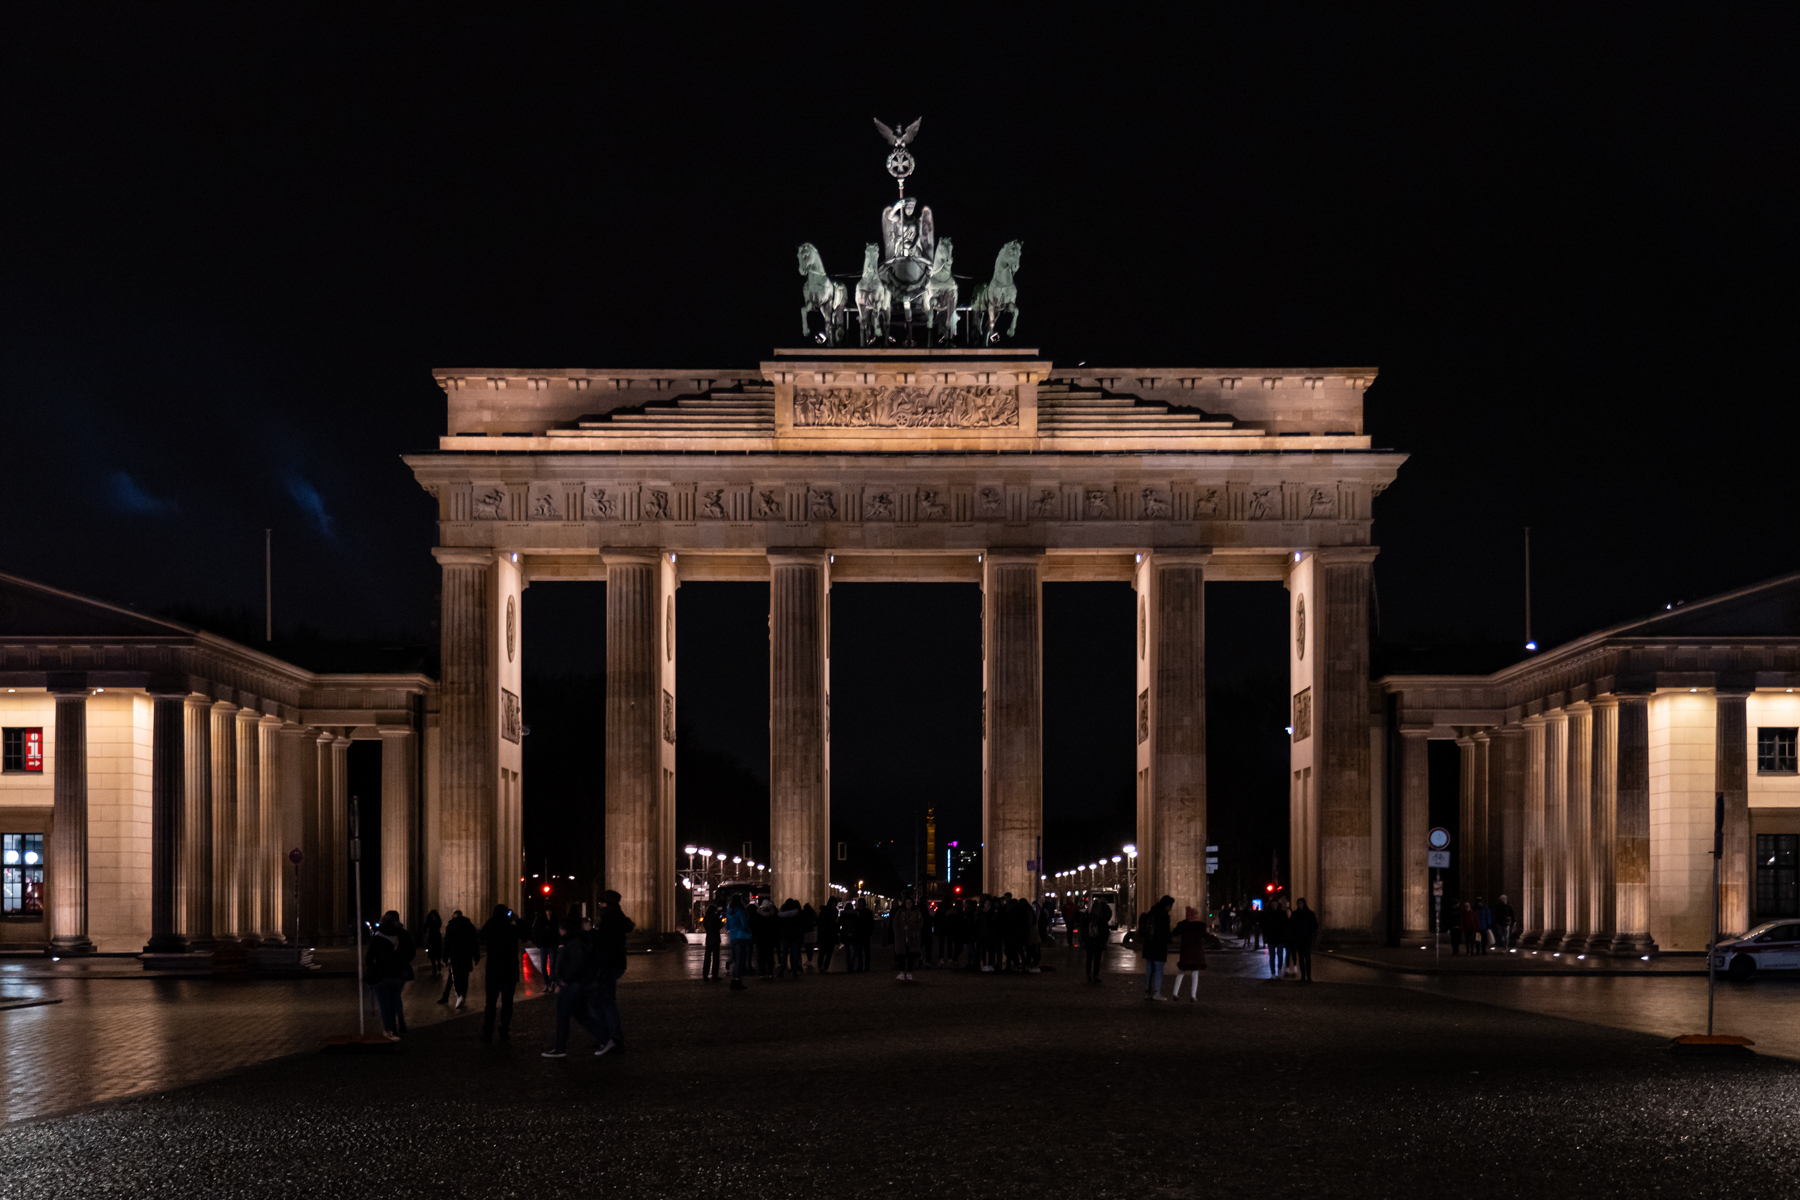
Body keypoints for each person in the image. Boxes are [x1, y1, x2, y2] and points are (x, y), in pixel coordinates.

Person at [542, 912, 607, 1058]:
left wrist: (564, 978)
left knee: (563, 1015)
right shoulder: (574, 940)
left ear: (564, 929)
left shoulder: (573, 942)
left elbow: (576, 963)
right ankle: (605, 1038)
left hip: (572, 984)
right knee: (581, 1015)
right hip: (575, 983)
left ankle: (560, 1048)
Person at [591, 890, 633, 1056]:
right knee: (606, 1000)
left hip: (607, 965)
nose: (600, 905)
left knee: (605, 1002)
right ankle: (609, 1036)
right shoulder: (618, 917)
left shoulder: (609, 919)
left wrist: (591, 933)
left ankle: (612, 1038)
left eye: (602, 902)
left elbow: (602, 942)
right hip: (615, 964)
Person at [366, 910, 415, 1040]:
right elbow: (409, 952)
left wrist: (374, 968)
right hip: (397, 974)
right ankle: (397, 1024)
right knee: (395, 999)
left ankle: (389, 1030)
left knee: (384, 1006)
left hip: (381, 975)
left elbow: (369, 958)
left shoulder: (378, 938)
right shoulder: (399, 935)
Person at [479, 903, 523, 1041]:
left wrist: (491, 920)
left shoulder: (491, 928)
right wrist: (517, 919)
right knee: (507, 1002)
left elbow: (480, 936)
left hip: (493, 970)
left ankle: (488, 1028)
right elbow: (527, 934)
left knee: (490, 1002)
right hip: (509, 970)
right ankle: (504, 1028)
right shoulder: (512, 928)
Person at [439, 908, 479, 1008]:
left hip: (455, 956)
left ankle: (458, 995)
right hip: (466, 955)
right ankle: (461, 995)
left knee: (454, 976)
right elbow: (474, 942)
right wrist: (476, 956)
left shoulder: (451, 926)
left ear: (454, 916)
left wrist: (444, 958)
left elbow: (446, 943)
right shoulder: (469, 926)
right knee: (464, 977)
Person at [1139, 894, 1175, 1000]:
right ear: (1167, 905)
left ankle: (1147, 992)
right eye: (1170, 906)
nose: (1171, 908)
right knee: (1159, 970)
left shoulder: (1152, 912)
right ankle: (1156, 993)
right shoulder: (1164, 916)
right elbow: (1166, 933)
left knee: (1149, 969)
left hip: (1148, 945)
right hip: (1159, 946)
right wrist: (1170, 939)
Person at [1170, 905, 1208, 1000]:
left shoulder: (1183, 924)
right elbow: (1207, 937)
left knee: (1181, 972)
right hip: (1196, 953)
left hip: (1186, 952)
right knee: (1195, 974)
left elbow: (1174, 933)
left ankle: (1175, 993)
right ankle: (1193, 995)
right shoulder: (1200, 926)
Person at [893, 896, 923, 981]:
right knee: (901, 955)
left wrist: (910, 927)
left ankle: (910, 973)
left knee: (911, 955)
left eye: (910, 903)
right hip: (902, 937)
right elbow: (895, 923)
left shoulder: (917, 912)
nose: (908, 905)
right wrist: (899, 933)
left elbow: (920, 924)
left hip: (913, 937)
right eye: (907, 903)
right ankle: (901, 972)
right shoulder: (900, 912)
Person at [1289, 898, 1319, 983]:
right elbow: (1292, 926)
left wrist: (1310, 933)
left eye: (1301, 903)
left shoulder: (1310, 914)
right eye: (1298, 903)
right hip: (1299, 939)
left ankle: (1308, 975)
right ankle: (1303, 975)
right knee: (1301, 958)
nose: (1300, 905)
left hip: (1307, 939)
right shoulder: (1295, 914)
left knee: (1307, 958)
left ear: (1304, 904)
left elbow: (1315, 925)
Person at [725, 896, 752, 990]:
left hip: (732, 937)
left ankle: (733, 979)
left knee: (736, 959)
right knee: (740, 960)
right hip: (741, 936)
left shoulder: (729, 912)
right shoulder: (741, 911)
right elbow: (744, 924)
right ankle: (737, 980)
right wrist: (749, 932)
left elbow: (727, 926)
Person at [531, 908, 560, 992]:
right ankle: (547, 983)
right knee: (544, 965)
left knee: (552, 965)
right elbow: (537, 931)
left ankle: (551, 983)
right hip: (544, 944)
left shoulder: (555, 920)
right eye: (548, 911)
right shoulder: (541, 920)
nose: (549, 912)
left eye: (550, 911)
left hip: (551, 945)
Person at [1084, 893, 1111, 983]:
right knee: (1097, 959)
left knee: (1089, 958)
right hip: (1098, 941)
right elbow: (1106, 931)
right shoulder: (1102, 919)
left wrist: (1084, 940)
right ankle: (1095, 974)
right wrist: (1104, 941)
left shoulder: (1088, 918)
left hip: (1090, 941)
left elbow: (1084, 930)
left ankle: (1088, 974)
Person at [777, 898, 804, 979]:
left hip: (785, 936)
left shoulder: (781, 915)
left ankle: (782, 971)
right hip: (795, 936)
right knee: (795, 954)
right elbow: (800, 924)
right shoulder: (797, 914)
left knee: (784, 953)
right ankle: (794, 970)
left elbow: (779, 926)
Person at [1262, 898, 1289, 978]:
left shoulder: (1282, 914)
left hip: (1279, 938)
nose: (1274, 906)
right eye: (1273, 904)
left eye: (1275, 904)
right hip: (1271, 938)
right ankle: (1273, 972)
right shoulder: (1267, 914)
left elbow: (1285, 926)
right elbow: (1265, 926)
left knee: (1280, 956)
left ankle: (1279, 969)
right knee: (1272, 956)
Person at [700, 902, 723, 981]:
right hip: (715, 938)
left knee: (707, 958)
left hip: (709, 938)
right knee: (716, 958)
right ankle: (714, 975)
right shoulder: (715, 917)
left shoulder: (706, 918)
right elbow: (719, 926)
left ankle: (705, 974)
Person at [816, 898, 840, 973]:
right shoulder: (825, 911)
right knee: (823, 951)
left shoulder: (834, 911)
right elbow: (821, 922)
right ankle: (821, 966)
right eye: (834, 903)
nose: (835, 905)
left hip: (831, 934)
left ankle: (825, 966)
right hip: (825, 934)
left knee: (829, 952)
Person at [422, 909, 444, 977]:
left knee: (435, 954)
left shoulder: (434, 920)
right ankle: (435, 967)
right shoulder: (434, 920)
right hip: (434, 938)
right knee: (433, 955)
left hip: (433, 938)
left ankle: (437, 967)